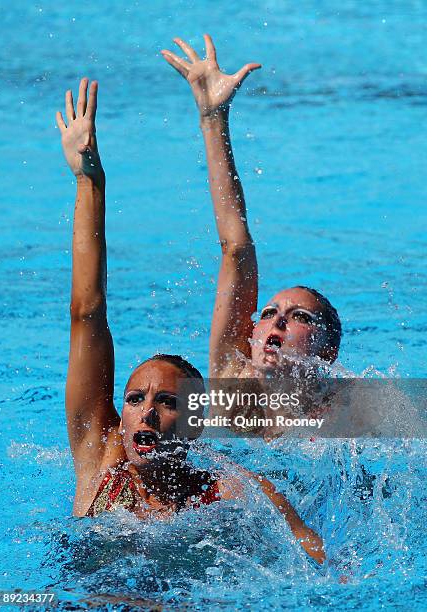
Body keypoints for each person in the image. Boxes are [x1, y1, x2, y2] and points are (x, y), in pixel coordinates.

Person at [56, 78, 325, 564]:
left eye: (166, 402)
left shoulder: (228, 491)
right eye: (135, 399)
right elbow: (87, 312)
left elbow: (309, 547)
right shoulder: (100, 457)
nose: (146, 413)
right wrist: (88, 179)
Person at [161, 35, 342, 380]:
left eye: (300, 317)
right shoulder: (233, 387)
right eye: (269, 313)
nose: (278, 321)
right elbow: (235, 248)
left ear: (328, 352)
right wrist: (213, 119)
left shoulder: (354, 414)